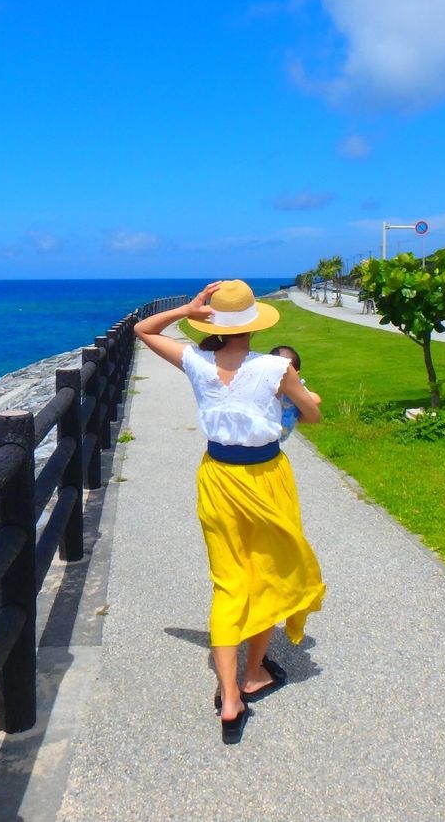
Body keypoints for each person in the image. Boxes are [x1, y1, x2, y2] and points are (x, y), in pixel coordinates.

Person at [133, 279, 325, 745]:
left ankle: (229, 699)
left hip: (217, 477)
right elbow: (312, 416)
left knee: (228, 581)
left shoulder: (196, 362)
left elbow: (143, 329)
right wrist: (305, 397)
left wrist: (187, 310)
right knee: (268, 572)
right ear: (254, 324)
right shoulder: (277, 367)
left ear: (213, 320)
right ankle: (253, 673)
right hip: (265, 479)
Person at [269, 345, 321, 441]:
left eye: (283, 374)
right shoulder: (266, 386)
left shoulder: (296, 388)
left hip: (277, 437)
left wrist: (299, 408)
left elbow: (316, 400)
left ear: (295, 376)